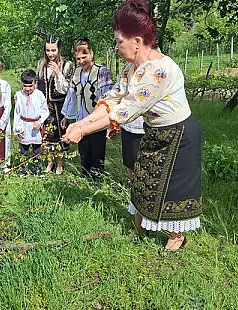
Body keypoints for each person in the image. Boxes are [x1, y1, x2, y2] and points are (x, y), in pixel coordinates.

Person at [63, 0, 203, 251]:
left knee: (172, 188)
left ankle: (176, 237)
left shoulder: (159, 71)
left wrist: (82, 131)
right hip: (156, 131)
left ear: (136, 42)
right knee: (142, 178)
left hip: (179, 135)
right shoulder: (132, 68)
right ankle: (140, 229)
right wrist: (80, 123)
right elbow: (113, 99)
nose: (116, 47)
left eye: (119, 42)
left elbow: (125, 111)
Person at [61, 38, 114, 179]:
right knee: (84, 150)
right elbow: (71, 95)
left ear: (91, 54)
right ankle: (85, 176)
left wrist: (109, 123)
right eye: (78, 58)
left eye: (84, 57)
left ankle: (97, 178)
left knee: (97, 151)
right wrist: (66, 116)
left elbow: (107, 97)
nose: (81, 61)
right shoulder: (77, 73)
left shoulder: (101, 72)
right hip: (81, 119)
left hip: (97, 119)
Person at [37, 34, 73, 175]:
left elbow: (67, 89)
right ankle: (50, 161)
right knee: (48, 137)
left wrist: (58, 73)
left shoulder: (66, 64)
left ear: (59, 49)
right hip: (45, 107)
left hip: (59, 107)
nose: (50, 54)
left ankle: (60, 163)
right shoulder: (41, 64)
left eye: (53, 50)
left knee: (60, 136)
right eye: (47, 50)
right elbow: (37, 84)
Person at [13, 69, 49, 177]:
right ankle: (22, 170)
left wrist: (40, 122)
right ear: (21, 84)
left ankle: (36, 168)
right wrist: (17, 129)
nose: (27, 89)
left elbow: (45, 111)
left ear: (35, 83)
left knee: (36, 149)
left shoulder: (39, 94)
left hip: (35, 126)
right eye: (25, 86)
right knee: (23, 150)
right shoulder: (19, 95)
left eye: (30, 86)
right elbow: (17, 113)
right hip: (24, 125)